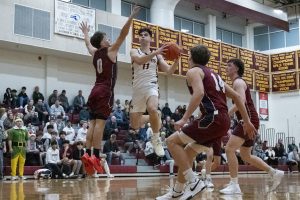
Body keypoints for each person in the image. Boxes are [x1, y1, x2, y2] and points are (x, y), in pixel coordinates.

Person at [156, 45, 257, 200]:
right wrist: (247, 121)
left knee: (171, 142)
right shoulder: (215, 75)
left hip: (212, 118)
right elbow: (237, 97)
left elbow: (199, 93)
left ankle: (194, 181)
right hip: (223, 121)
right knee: (188, 152)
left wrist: (184, 118)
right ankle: (177, 191)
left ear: (191, 58)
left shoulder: (193, 71)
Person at [79, 6, 140, 175]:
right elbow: (123, 34)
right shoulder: (110, 51)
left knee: (92, 124)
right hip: (105, 91)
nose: (109, 39)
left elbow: (87, 44)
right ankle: (96, 156)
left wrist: (85, 33)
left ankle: (86, 152)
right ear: (102, 42)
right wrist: (131, 17)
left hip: (94, 91)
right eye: (106, 38)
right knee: (100, 124)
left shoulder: (95, 52)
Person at [220, 58, 284, 195]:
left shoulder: (238, 82)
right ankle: (274, 172)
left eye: (229, 65)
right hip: (249, 119)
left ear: (236, 68)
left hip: (248, 120)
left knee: (229, 149)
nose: (226, 68)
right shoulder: (237, 83)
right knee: (246, 155)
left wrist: (227, 114)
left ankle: (234, 184)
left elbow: (241, 101)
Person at [130, 27, 180, 157]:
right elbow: (140, 60)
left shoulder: (157, 56)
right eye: (140, 35)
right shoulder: (134, 51)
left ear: (150, 38)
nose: (142, 36)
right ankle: (156, 117)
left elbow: (169, 72)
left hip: (151, 86)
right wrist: (156, 52)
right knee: (135, 125)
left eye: (145, 35)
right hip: (137, 89)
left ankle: (156, 139)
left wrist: (176, 61)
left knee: (152, 108)